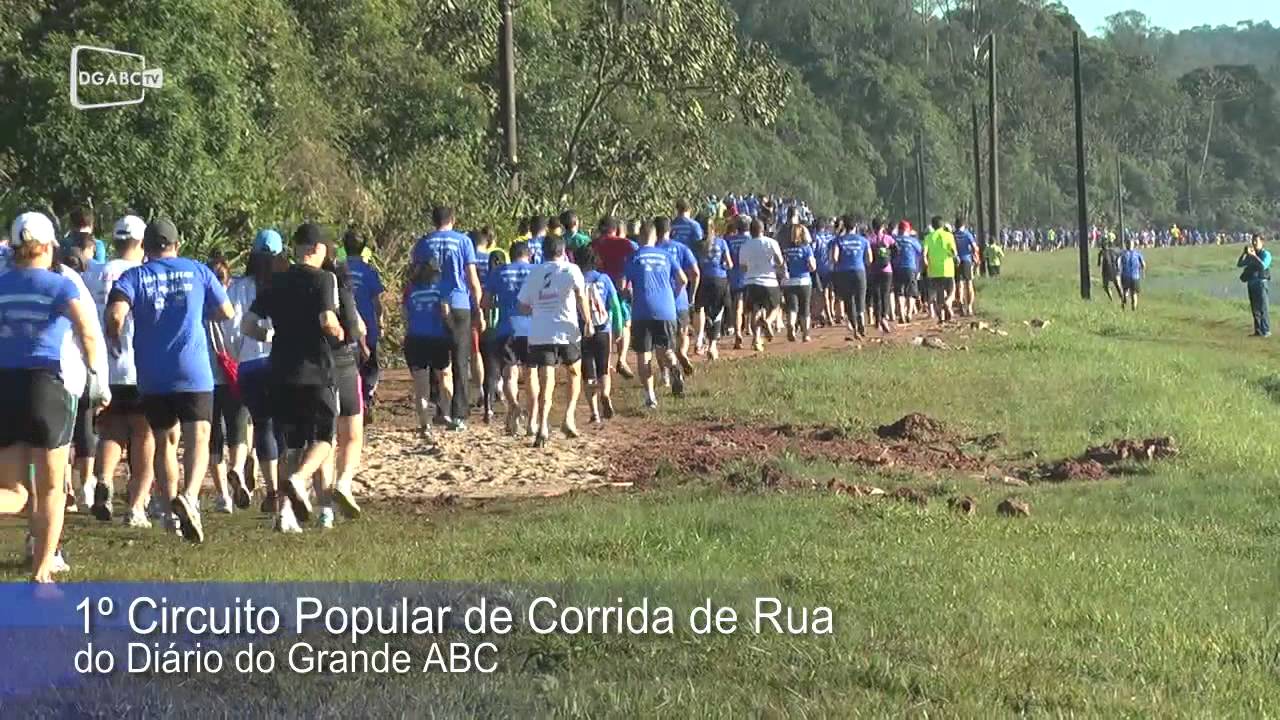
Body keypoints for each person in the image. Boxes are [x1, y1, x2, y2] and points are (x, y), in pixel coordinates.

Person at [107, 218, 233, 544]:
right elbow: (227, 312)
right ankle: (190, 497)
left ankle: (167, 511)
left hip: (152, 373)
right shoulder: (198, 270)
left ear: (146, 247)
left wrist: (114, 334)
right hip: (192, 370)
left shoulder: (134, 275)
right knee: (199, 435)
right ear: (177, 244)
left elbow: (116, 312)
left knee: (165, 441)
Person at [0, 212, 106, 582]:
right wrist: (94, 375)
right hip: (47, 386)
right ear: (47, 246)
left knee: (13, 491)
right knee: (50, 489)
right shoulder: (60, 285)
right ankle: (43, 570)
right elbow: (88, 333)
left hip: (5, 386)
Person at [241, 224, 350, 533]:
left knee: (291, 444)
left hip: (280, 371)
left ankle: (284, 516)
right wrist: (340, 335)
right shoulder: (324, 278)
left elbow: (248, 325)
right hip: (316, 369)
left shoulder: (276, 281)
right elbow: (327, 320)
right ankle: (300, 480)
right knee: (324, 440)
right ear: (317, 249)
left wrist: (269, 334)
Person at [83, 215, 153, 527]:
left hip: (103, 369)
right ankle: (136, 507)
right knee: (144, 434)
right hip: (138, 366)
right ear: (142, 242)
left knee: (111, 431)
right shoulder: (144, 274)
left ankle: (104, 480)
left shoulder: (95, 274)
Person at [410, 207, 484, 431]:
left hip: (432, 303)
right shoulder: (463, 241)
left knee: (436, 358)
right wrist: (478, 307)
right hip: (459, 303)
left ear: (433, 221)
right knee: (460, 360)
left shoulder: (423, 243)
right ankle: (459, 414)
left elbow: (416, 275)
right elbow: (472, 279)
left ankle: (438, 408)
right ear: (453, 219)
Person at [230, 230, 287, 514]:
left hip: (249, 364)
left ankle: (273, 488)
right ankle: (283, 491)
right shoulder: (286, 285)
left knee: (262, 425)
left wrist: (235, 355)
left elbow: (233, 328)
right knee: (282, 427)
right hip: (282, 363)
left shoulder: (240, 287)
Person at [519, 236, 592, 446]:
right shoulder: (571, 270)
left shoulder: (534, 272)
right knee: (574, 373)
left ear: (543, 252)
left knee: (546, 380)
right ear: (563, 251)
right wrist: (587, 321)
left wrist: (539, 307)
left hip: (541, 332)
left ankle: (542, 424)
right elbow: (580, 296)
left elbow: (522, 306)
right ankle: (568, 417)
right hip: (566, 330)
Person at [205, 254, 251, 515]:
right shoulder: (234, 300)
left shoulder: (200, 302)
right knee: (238, 430)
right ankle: (238, 471)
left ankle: (223, 495)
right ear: (229, 278)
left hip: (208, 378)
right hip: (234, 373)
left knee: (214, 439)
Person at [623, 221, 687, 409]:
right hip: (666, 309)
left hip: (642, 311)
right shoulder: (666, 255)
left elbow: (623, 285)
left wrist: (628, 295)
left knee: (644, 355)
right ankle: (674, 366)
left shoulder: (634, 257)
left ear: (641, 236)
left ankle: (650, 397)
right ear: (655, 236)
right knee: (665, 348)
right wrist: (673, 296)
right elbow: (682, 279)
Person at [325, 254, 367, 527]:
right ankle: (344, 482)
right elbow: (357, 327)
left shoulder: (307, 289)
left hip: (314, 366)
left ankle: (325, 508)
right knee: (351, 434)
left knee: (324, 440)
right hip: (343, 364)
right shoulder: (342, 289)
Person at [484, 242, 535, 435]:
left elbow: (485, 301)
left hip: (507, 326)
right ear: (528, 255)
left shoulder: (498, 272)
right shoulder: (536, 271)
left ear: (510, 255)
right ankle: (532, 419)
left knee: (509, 374)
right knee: (532, 375)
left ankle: (513, 406)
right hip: (532, 328)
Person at [403, 256, 454, 438]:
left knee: (421, 384)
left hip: (416, 338)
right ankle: (446, 412)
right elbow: (445, 312)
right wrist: (452, 329)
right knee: (445, 376)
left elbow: (406, 315)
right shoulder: (440, 289)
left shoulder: (410, 290)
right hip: (437, 337)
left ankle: (425, 423)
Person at [344, 230, 385, 423]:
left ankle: (356, 402)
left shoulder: (337, 270)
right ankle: (367, 398)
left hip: (345, 327)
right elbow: (377, 302)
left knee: (350, 367)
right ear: (363, 248)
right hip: (368, 326)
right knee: (371, 367)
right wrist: (381, 321)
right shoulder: (369, 272)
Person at [578, 246, 619, 424]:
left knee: (588, 372)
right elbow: (615, 305)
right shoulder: (604, 279)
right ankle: (605, 394)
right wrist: (618, 327)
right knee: (604, 368)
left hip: (583, 330)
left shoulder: (576, 280)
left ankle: (594, 412)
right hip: (603, 328)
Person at [592, 218, 638, 378]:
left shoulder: (594, 245)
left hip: (599, 288)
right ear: (616, 229)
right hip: (621, 287)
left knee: (605, 323)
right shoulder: (626, 244)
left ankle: (608, 360)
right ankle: (622, 359)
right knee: (625, 323)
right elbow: (636, 259)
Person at [655, 217, 700, 378]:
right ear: (670, 231)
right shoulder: (681, 248)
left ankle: (665, 374)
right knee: (683, 333)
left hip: (660, 301)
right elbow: (695, 273)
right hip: (680, 298)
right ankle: (682, 353)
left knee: (661, 341)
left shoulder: (652, 249)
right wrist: (691, 295)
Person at [739, 219, 787, 353]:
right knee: (777, 305)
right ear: (763, 229)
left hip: (751, 281)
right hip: (769, 281)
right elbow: (779, 261)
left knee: (755, 309)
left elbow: (742, 267)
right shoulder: (771, 242)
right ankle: (769, 320)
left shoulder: (745, 245)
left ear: (751, 231)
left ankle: (756, 339)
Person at [694, 216, 733, 359]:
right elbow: (729, 264)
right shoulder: (721, 242)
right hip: (720, 279)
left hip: (703, 279)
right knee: (718, 311)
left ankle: (699, 338)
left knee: (701, 309)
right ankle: (712, 346)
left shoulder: (697, 245)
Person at [830, 216, 872, 338]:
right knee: (860, 298)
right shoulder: (863, 240)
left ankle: (854, 328)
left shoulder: (839, 240)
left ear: (845, 227)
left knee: (849, 301)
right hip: (859, 271)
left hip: (844, 272)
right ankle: (861, 319)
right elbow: (869, 259)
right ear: (856, 227)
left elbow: (834, 258)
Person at [781, 220, 816, 343]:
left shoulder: (786, 250)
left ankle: (791, 324)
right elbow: (813, 266)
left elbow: (782, 265)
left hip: (789, 281)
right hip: (804, 280)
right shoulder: (807, 248)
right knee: (805, 308)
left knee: (792, 307)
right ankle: (806, 334)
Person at [921, 216, 958, 324]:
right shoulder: (949, 236)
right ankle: (948, 302)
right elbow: (954, 253)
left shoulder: (928, 237)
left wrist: (926, 263)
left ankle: (941, 317)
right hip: (948, 268)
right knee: (951, 291)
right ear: (942, 225)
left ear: (932, 226)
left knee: (938, 295)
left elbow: (924, 254)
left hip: (933, 270)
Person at [724, 216, 751, 348]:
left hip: (734, 277)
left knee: (738, 307)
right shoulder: (751, 240)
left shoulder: (729, 240)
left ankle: (738, 332)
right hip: (749, 277)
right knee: (753, 305)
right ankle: (750, 328)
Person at [1239, 234, 1271, 337]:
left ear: (1262, 242)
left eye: (1256, 241)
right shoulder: (1251, 255)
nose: (1254, 243)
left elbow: (1263, 266)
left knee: (1263, 308)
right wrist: (1244, 254)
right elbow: (1240, 264)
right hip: (1251, 283)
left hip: (1261, 283)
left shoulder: (1266, 254)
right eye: (1253, 241)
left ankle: (1266, 330)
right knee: (1255, 309)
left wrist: (1254, 256)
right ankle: (1258, 331)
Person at [868, 218, 896, 333]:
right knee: (885, 294)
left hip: (874, 270)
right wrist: (890, 259)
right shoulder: (888, 239)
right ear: (882, 227)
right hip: (887, 270)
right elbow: (896, 250)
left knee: (876, 296)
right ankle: (884, 317)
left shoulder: (870, 240)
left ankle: (877, 319)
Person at [891, 220, 921, 324]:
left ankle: (901, 314)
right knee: (911, 292)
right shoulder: (913, 241)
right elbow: (920, 253)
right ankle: (909, 313)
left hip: (897, 268)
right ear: (908, 230)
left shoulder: (894, 240)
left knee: (900, 292)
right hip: (910, 267)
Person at [954, 218, 979, 316]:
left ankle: (960, 306)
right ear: (964, 225)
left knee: (958, 284)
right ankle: (969, 307)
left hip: (957, 262)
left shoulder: (953, 235)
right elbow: (974, 247)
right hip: (967, 260)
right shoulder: (968, 234)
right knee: (969, 283)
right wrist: (975, 256)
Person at [1117, 240, 1145, 312]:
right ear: (1133, 245)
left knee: (1125, 291)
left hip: (1125, 276)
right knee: (1134, 294)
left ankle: (1123, 305)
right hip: (1135, 276)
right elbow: (1143, 264)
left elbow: (1118, 262)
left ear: (1126, 245)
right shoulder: (1137, 254)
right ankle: (1133, 309)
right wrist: (1142, 272)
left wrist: (1118, 270)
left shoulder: (1123, 254)